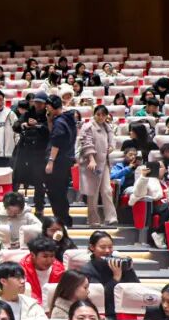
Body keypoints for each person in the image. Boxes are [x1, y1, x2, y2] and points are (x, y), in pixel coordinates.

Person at [78, 231, 140, 319]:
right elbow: (99, 296)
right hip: (105, 312)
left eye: (110, 247)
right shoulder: (87, 270)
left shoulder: (119, 263)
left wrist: (129, 269)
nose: (107, 251)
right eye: (102, 247)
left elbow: (137, 287)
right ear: (92, 247)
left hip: (126, 308)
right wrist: (116, 277)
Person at [77, 105, 117, 227]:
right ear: (94, 114)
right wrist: (91, 159)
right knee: (93, 192)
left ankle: (111, 217)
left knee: (107, 190)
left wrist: (111, 147)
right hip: (91, 163)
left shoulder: (107, 127)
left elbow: (112, 142)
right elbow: (86, 143)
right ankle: (93, 219)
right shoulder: (88, 126)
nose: (100, 117)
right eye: (98, 114)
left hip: (104, 163)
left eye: (103, 115)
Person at [43, 95, 78, 227]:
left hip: (58, 162)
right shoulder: (68, 119)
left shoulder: (59, 122)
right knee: (61, 192)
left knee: (55, 193)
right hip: (66, 160)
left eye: (48, 107)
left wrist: (50, 161)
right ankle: (64, 220)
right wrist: (49, 121)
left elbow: (56, 143)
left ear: (51, 107)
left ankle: (62, 220)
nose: (47, 109)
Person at [20, 237, 65, 305]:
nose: (49, 260)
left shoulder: (60, 269)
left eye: (52, 256)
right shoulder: (21, 270)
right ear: (33, 255)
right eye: (45, 256)